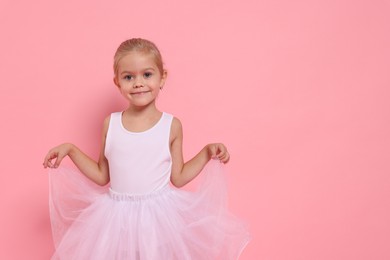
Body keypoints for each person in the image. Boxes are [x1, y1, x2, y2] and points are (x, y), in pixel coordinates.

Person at [43, 38, 250, 259]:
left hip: (158, 218)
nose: (138, 83)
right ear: (117, 82)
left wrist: (207, 152)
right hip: (116, 218)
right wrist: (71, 150)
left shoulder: (171, 125)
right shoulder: (110, 123)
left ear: (162, 78)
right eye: (129, 77)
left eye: (147, 75)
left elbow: (178, 177)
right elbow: (103, 175)